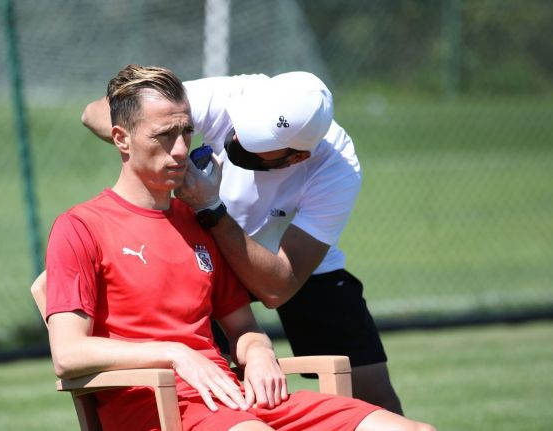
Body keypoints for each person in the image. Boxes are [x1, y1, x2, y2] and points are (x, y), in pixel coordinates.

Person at [44, 64, 435, 431]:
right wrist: (175, 353)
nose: (180, 149)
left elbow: (251, 320)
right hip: (162, 404)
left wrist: (259, 352)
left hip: (242, 387)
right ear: (121, 139)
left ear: (298, 156)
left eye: (186, 133)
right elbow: (68, 354)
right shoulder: (81, 226)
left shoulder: (203, 224)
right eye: (164, 136)